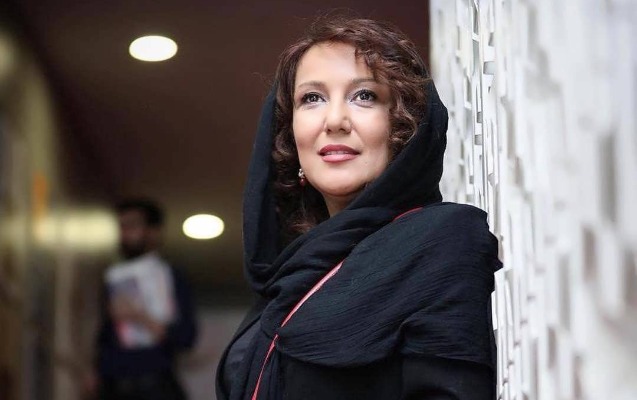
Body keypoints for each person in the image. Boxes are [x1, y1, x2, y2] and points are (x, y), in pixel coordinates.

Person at [216, 15, 502, 400]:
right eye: (312, 98)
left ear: (404, 128)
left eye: (364, 95)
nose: (335, 120)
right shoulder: (287, 282)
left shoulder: (441, 242)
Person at [93, 198, 198, 400]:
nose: (125, 233)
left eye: (132, 225)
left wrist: (139, 317)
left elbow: (186, 336)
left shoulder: (172, 277)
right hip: (113, 384)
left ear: (153, 231)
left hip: (154, 382)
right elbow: (106, 334)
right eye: (122, 226)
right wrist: (96, 371)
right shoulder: (112, 277)